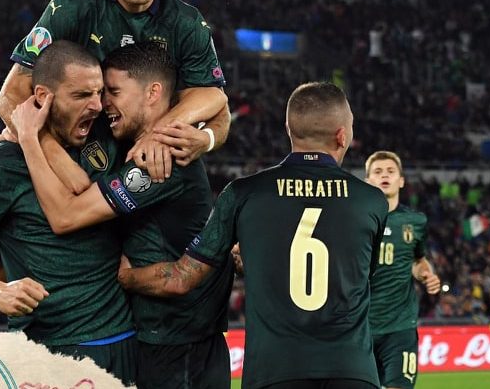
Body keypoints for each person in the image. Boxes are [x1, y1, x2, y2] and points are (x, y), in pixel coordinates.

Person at [118, 82, 389, 389]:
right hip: (352, 370)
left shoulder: (243, 194)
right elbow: (354, 274)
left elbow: (181, 278)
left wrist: (128, 277)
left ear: (288, 129)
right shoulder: (372, 201)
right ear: (342, 135)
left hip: (273, 372)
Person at [9, 42, 233, 389]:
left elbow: (65, 217)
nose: (103, 105)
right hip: (167, 339)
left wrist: (30, 137)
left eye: (113, 92)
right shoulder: (135, 147)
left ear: (152, 93)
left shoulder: (161, 159)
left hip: (180, 345)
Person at [0, 40, 136, 385]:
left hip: (124, 344)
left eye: (99, 93)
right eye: (81, 95)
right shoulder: (1, 168)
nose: (97, 105)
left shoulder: (108, 140)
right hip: (51, 353)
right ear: (42, 96)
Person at [0, 0, 231, 182]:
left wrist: (202, 138)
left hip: (150, 166)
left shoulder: (187, 23)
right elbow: (12, 93)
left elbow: (217, 105)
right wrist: (51, 152)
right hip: (76, 154)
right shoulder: (70, 8)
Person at [364, 151, 441, 389]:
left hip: (400, 326)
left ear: (401, 180)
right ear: (368, 181)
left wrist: (426, 274)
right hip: (361, 326)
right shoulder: (355, 220)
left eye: (390, 171)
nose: (384, 176)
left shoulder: (415, 221)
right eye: (378, 172)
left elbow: (418, 260)